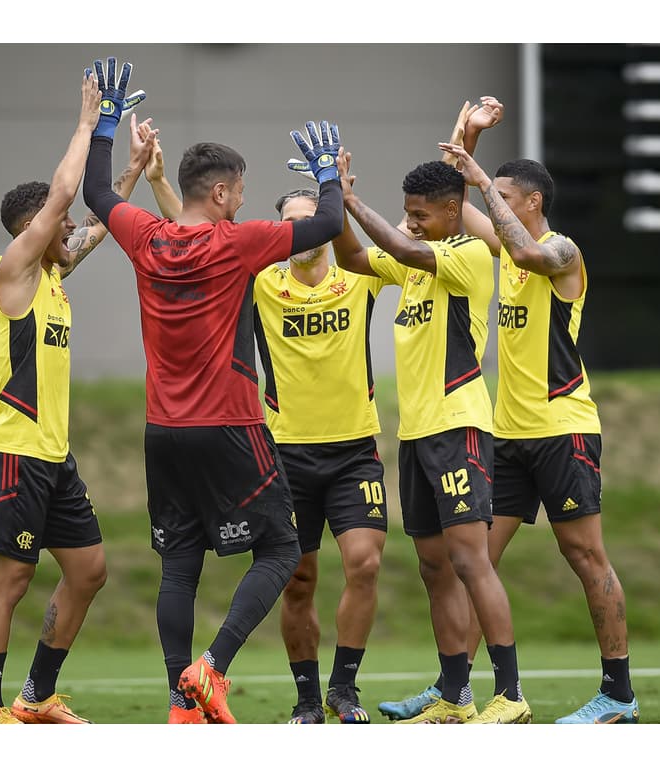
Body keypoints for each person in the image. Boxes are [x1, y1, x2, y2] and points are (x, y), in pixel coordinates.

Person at [81, 56, 346, 724]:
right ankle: (214, 668)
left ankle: (181, 703)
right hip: (229, 425)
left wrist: (107, 122)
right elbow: (326, 226)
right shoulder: (241, 241)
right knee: (284, 547)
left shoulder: (147, 236)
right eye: (242, 191)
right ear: (226, 194)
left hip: (162, 430)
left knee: (180, 565)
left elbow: (97, 195)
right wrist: (325, 175)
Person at [0, 70, 154, 724]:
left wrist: (130, 172)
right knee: (10, 581)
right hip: (13, 452)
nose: (69, 227)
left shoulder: (53, 271)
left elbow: (95, 227)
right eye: (58, 221)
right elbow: (66, 193)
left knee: (89, 570)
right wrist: (89, 120)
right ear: (32, 228)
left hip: (53, 457)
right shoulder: (15, 270)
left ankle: (36, 696)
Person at [437, 139, 640, 724]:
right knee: (475, 560)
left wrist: (479, 178)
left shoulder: (562, 251)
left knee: (584, 554)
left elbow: (527, 255)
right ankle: (455, 693)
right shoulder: (503, 248)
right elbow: (454, 205)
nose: (492, 203)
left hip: (563, 428)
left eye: (502, 196)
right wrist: (467, 141)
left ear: (532, 201)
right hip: (508, 435)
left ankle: (618, 695)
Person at [329, 143, 531, 725]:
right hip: (415, 433)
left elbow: (395, 244)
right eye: (407, 211)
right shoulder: (417, 260)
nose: (411, 221)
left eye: (420, 213)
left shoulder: (468, 254)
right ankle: (455, 696)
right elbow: (355, 260)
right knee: (434, 568)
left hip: (459, 425)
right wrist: (333, 204)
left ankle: (511, 695)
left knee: (472, 562)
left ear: (452, 209)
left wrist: (349, 197)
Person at [251, 188, 388, 724]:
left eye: (310, 219)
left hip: (355, 451)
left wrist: (460, 153)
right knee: (298, 579)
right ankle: (307, 701)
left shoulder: (359, 274)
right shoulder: (262, 282)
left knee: (366, 563)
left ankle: (344, 690)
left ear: (327, 227)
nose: (300, 230)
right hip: (286, 455)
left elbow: (401, 230)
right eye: (290, 221)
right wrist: (162, 181)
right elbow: (194, 235)